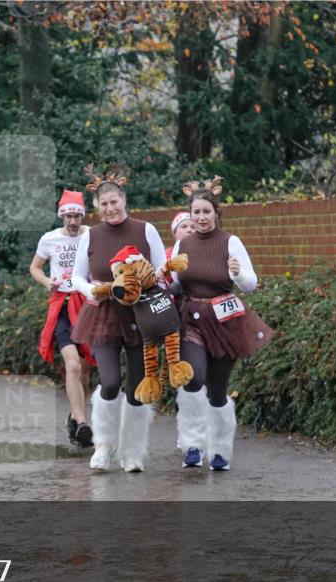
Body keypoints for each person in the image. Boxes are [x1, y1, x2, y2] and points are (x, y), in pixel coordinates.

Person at [167, 177, 272, 471]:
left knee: (216, 389)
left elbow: (250, 284)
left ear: (216, 213)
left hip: (224, 321)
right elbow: (174, 284)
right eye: (196, 212)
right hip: (191, 319)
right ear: (190, 214)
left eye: (206, 212)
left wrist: (237, 274)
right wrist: (155, 284)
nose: (201, 218)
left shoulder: (230, 242)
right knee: (193, 378)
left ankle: (221, 451)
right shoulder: (182, 244)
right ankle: (192, 445)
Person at [70, 164, 165, 472]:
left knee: (137, 386)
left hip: (140, 313)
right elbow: (76, 276)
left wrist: (147, 283)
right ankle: (103, 445)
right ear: (97, 207)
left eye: (114, 202)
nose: (110, 208)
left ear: (124, 201)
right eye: (104, 204)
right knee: (110, 381)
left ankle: (132, 452)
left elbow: (163, 272)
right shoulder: (91, 235)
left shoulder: (145, 230)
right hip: (104, 313)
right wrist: (91, 290)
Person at [31, 189, 96, 451]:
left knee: (85, 371)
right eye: (68, 216)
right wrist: (47, 281)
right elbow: (35, 267)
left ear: (82, 216)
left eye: (76, 216)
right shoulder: (49, 239)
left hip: (87, 306)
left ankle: (74, 418)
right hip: (62, 306)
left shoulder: (93, 235)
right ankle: (83, 423)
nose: (72, 221)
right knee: (73, 365)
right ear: (62, 217)